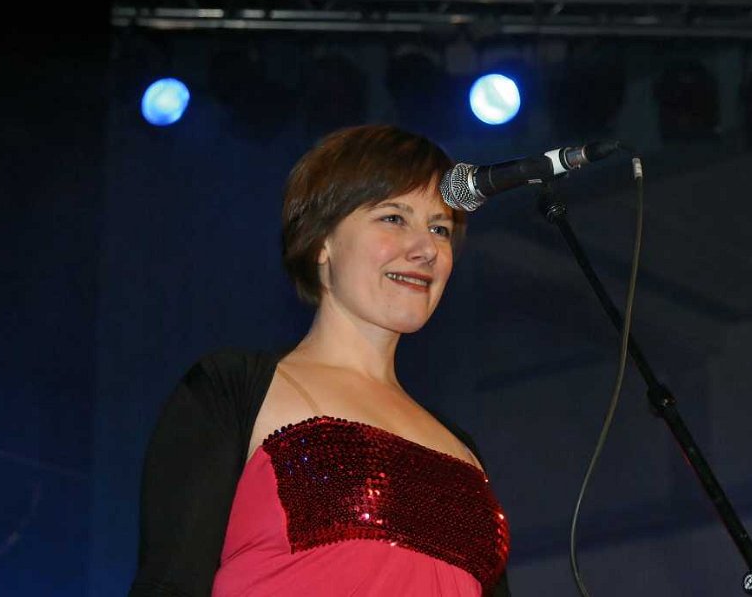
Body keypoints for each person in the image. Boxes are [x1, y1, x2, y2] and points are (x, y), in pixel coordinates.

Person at [128, 124, 511, 597]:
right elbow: (169, 584)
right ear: (322, 240)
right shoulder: (235, 389)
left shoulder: (462, 451)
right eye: (394, 218)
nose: (426, 249)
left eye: (440, 229)